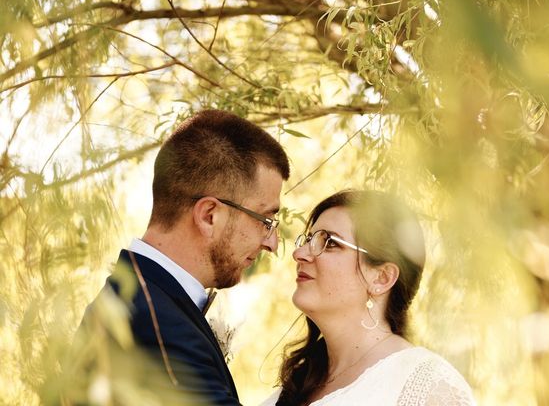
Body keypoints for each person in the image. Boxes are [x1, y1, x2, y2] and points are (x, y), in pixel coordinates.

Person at [66, 109, 290, 405]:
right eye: (264, 220)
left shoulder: (141, 299)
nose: (272, 243)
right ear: (210, 216)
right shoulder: (157, 327)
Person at [261, 190, 475, 406]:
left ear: (381, 278)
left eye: (329, 243)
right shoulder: (298, 381)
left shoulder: (430, 387)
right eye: (308, 239)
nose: (300, 253)